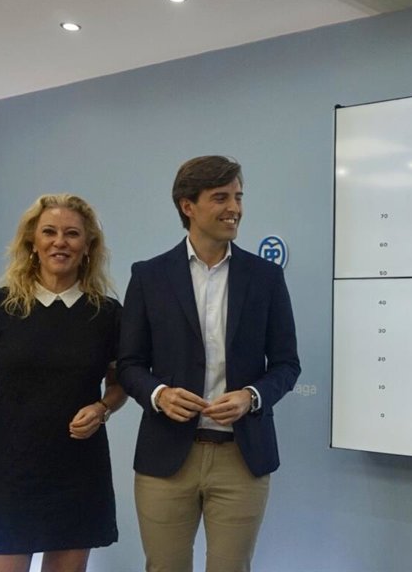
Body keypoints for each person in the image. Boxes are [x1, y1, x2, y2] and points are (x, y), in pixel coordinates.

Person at [118, 155, 301, 572]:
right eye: (221, 197)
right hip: (166, 457)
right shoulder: (148, 276)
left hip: (242, 457)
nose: (234, 208)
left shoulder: (266, 277)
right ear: (188, 206)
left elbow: (287, 364)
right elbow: (129, 364)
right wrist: (159, 394)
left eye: (238, 197)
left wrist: (251, 396)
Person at [0, 194, 126, 572]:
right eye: (49, 232)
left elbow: (120, 383)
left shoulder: (107, 314)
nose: (60, 242)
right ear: (33, 241)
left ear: (88, 246)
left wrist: (103, 408)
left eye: (72, 234)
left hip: (78, 473)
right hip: (8, 473)